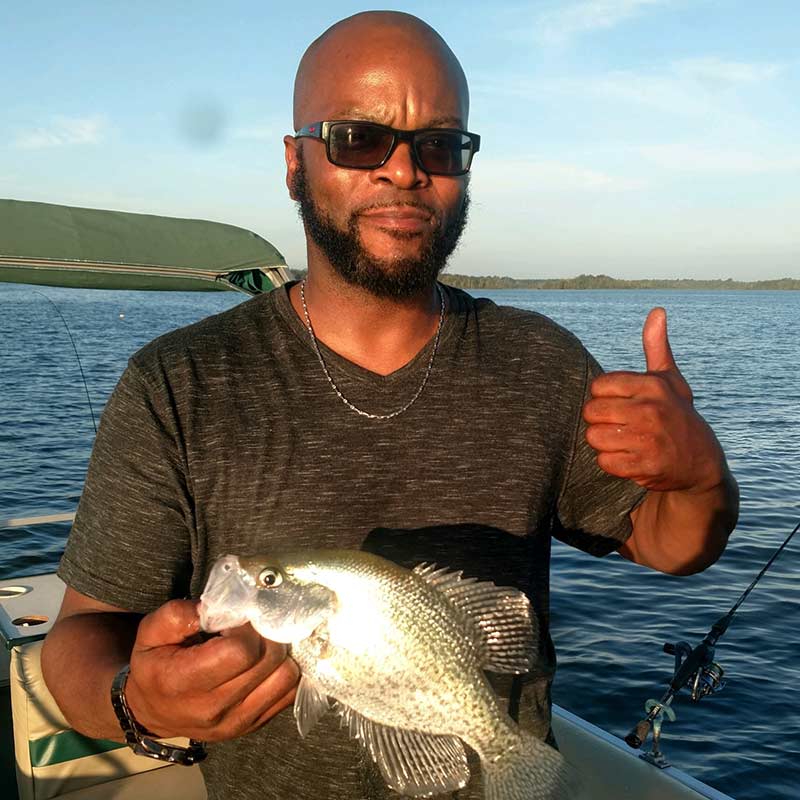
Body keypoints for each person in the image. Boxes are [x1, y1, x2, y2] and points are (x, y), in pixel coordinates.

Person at [41, 10, 738, 800]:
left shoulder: (540, 361)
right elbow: (77, 640)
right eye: (359, 138)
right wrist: (133, 698)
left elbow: (671, 546)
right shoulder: (177, 383)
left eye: (439, 145)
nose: (404, 171)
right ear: (295, 161)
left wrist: (702, 481)